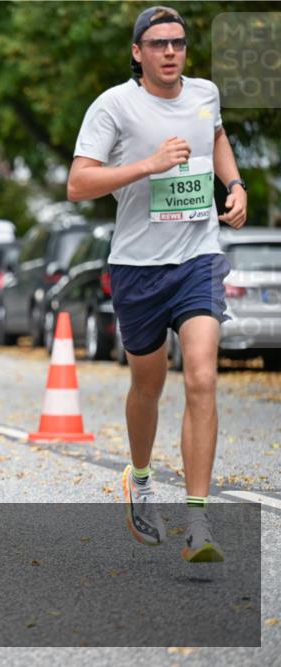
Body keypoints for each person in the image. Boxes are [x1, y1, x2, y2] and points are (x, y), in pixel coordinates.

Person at [68, 6, 247, 562]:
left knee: (202, 377)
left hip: (198, 258)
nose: (170, 52)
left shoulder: (206, 93)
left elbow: (215, 136)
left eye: (178, 43)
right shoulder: (114, 106)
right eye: (158, 43)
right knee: (147, 385)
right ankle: (141, 479)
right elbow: (78, 183)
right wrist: (148, 164)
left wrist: (235, 184)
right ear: (137, 52)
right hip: (138, 267)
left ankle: (198, 523)